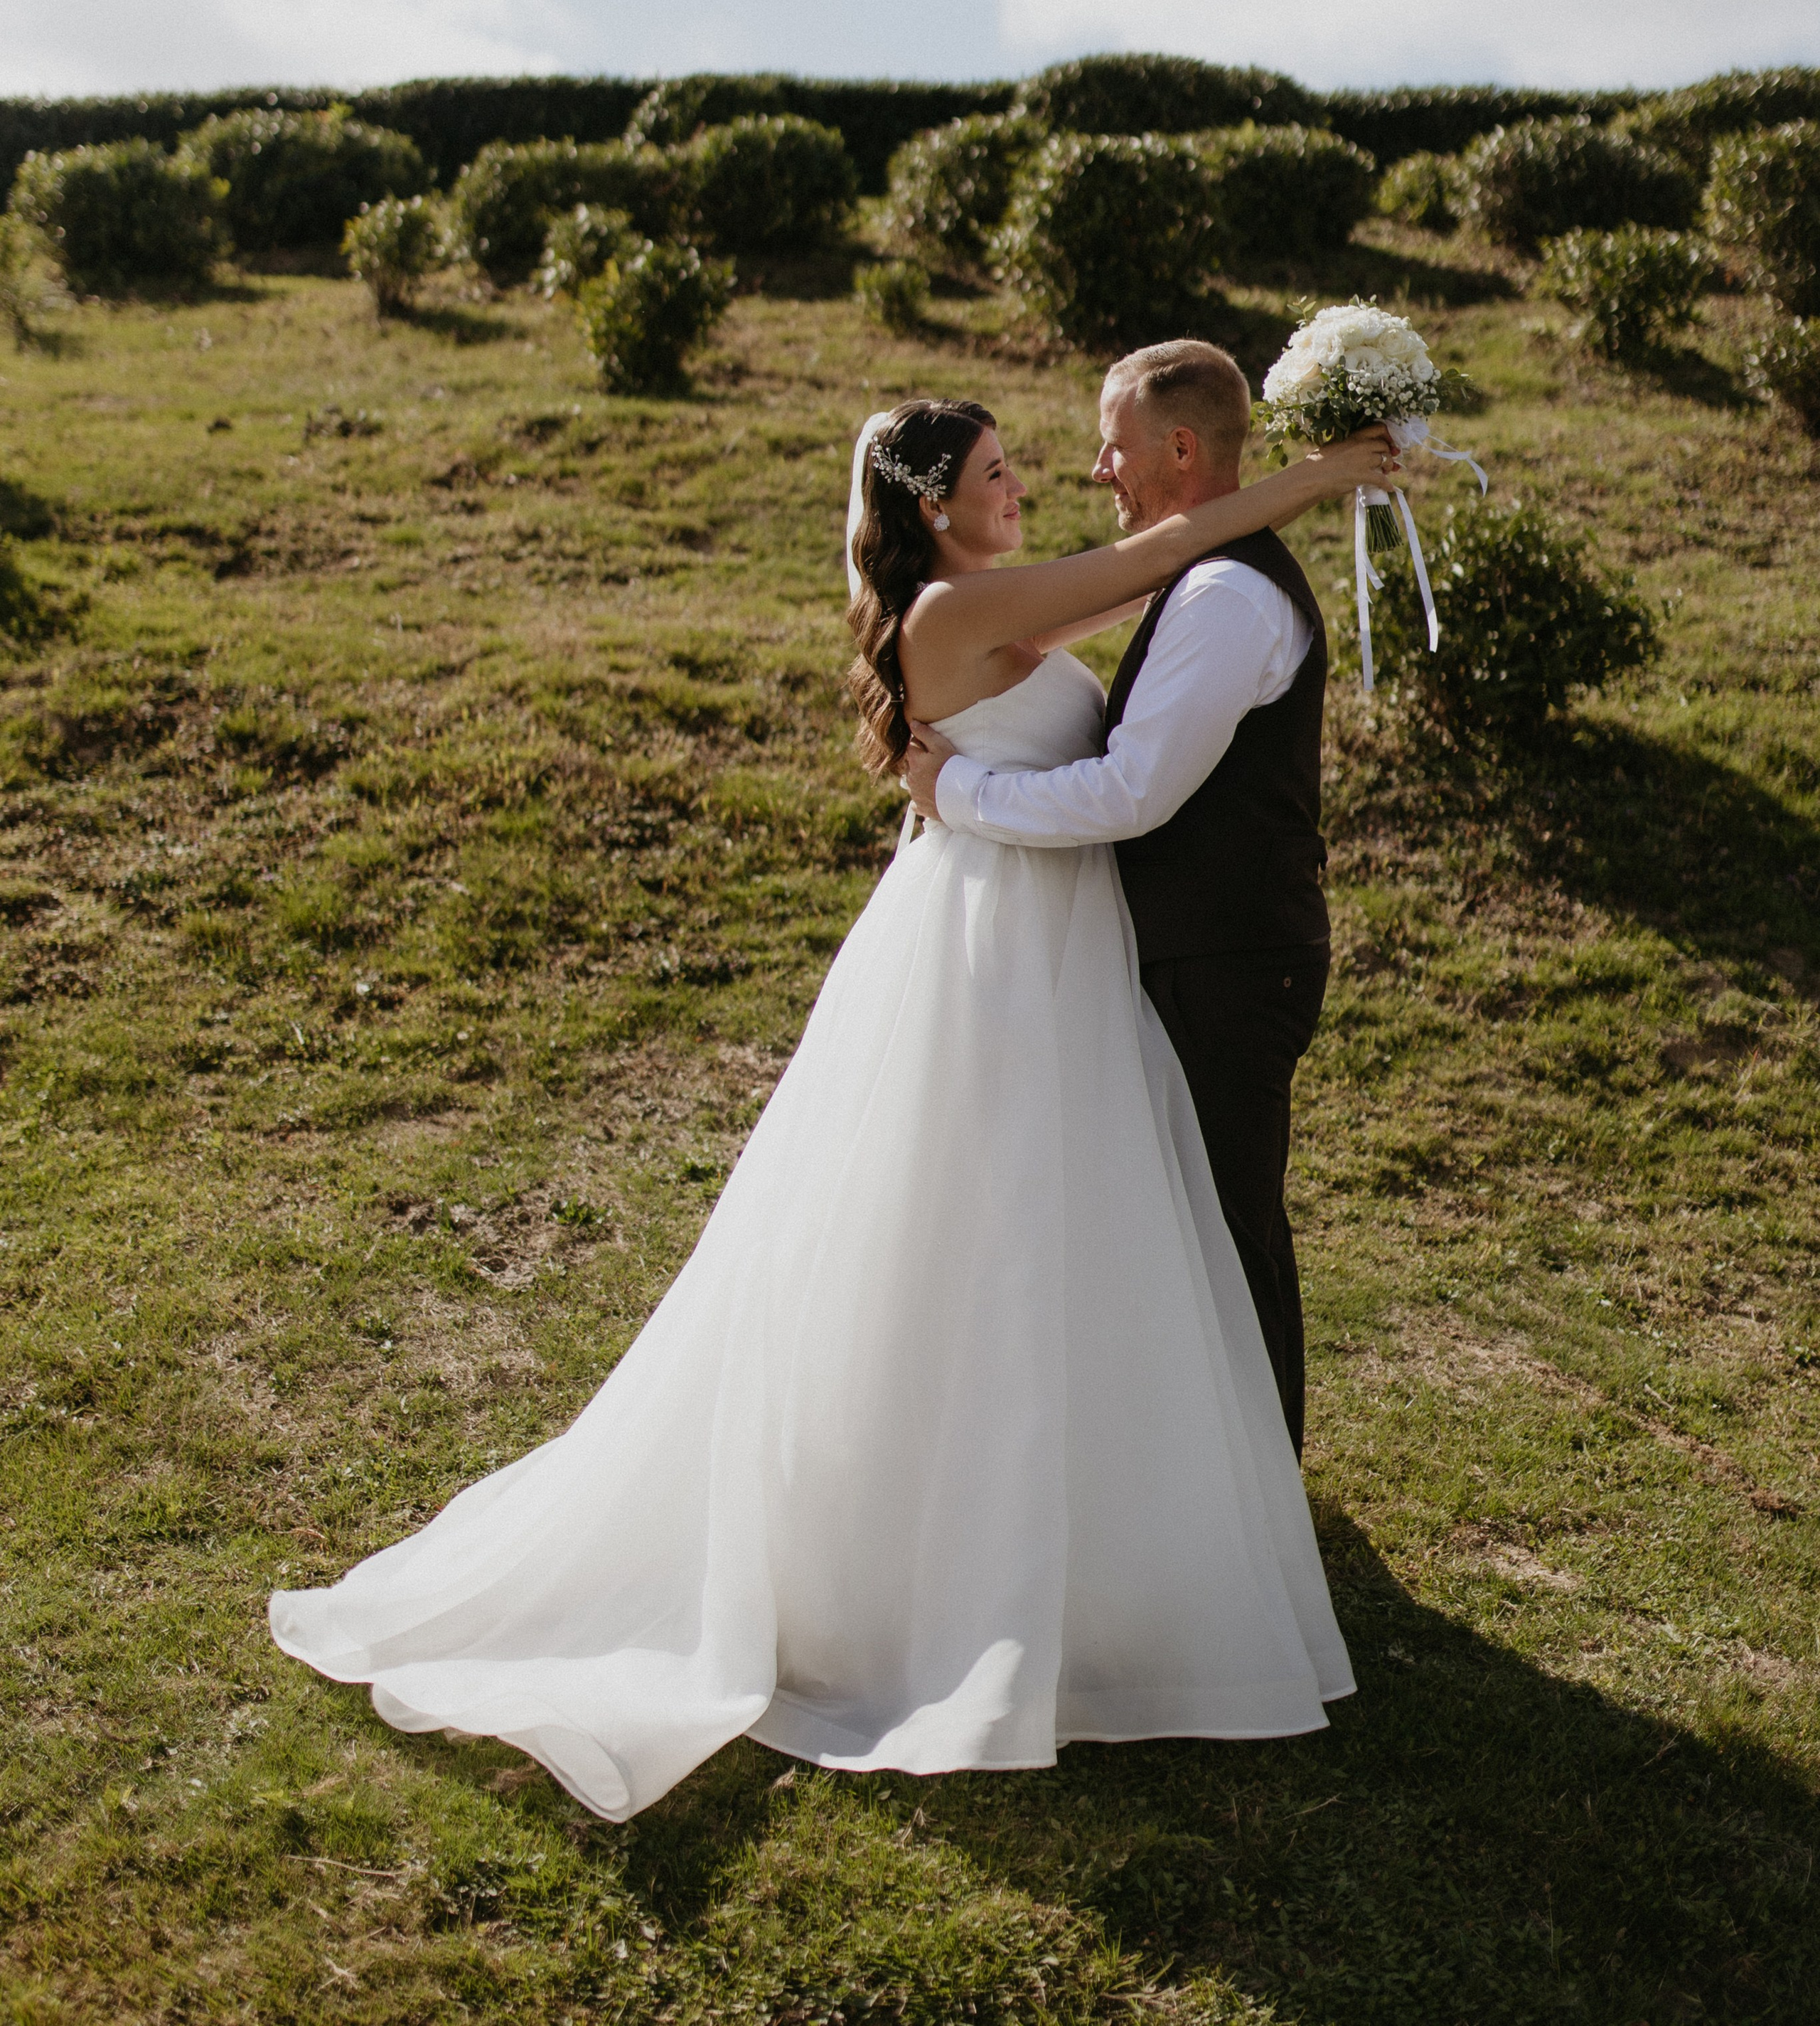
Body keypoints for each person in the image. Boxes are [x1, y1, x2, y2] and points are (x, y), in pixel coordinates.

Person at [270, 389, 1394, 1821]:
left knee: (1055, 1238)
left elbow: (1152, 584)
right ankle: (922, 1564)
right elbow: (1182, 537)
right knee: (969, 1241)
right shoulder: (948, 614)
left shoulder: (989, 602)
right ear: (936, 505)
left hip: (1046, 937)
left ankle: (1098, 1534)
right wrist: (1325, 475)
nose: (1027, 481)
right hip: (997, 949)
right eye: (996, 470)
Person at [904, 340, 1348, 1456]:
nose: (1093, 469)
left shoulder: (1225, 599)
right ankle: (1207, 1478)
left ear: (1182, 449)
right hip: (1140, 951)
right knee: (1181, 1225)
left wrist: (955, 787)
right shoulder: (1190, 577)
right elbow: (1132, 577)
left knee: (1227, 1224)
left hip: (1225, 959)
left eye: (1115, 444)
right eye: (996, 471)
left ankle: (1253, 1487)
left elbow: (1132, 793)